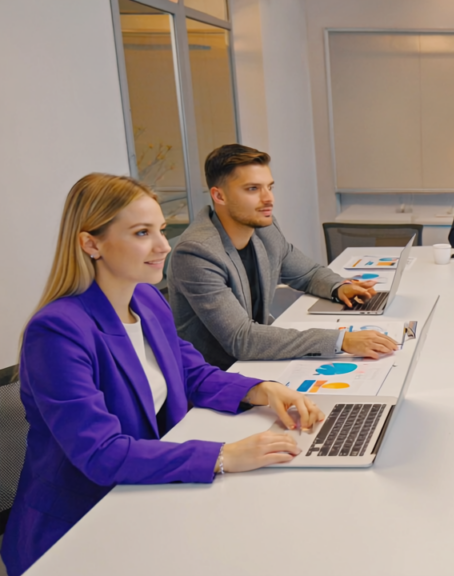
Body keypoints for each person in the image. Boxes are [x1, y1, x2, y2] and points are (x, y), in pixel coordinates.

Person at [1, 174, 325, 576]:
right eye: (142, 233)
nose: (163, 245)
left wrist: (264, 389)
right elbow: (101, 454)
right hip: (81, 528)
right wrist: (225, 456)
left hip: (144, 496)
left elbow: (190, 373)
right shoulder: (57, 331)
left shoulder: (146, 298)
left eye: (160, 229)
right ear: (91, 244)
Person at [168, 144, 398, 370]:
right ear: (219, 196)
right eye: (253, 189)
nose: (269, 199)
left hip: (260, 359)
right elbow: (241, 339)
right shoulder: (197, 253)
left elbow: (306, 273)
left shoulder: (264, 228)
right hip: (220, 374)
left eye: (270, 187)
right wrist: (342, 341)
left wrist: (339, 287)